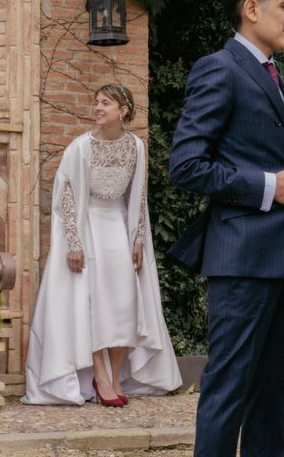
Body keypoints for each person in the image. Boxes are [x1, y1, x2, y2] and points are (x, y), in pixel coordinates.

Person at [169, 0, 284, 455]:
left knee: (272, 398)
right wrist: (268, 186)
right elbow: (185, 164)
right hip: (241, 260)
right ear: (252, 8)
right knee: (228, 392)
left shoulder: (276, 77)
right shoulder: (219, 69)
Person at [23, 84, 182, 407]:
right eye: (96, 103)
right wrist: (73, 243)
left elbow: (137, 196)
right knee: (91, 303)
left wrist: (137, 239)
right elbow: (66, 198)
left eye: (105, 103)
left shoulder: (136, 146)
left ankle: (116, 372)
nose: (98, 108)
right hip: (87, 225)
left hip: (119, 228)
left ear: (123, 110)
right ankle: (100, 375)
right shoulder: (80, 148)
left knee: (125, 302)